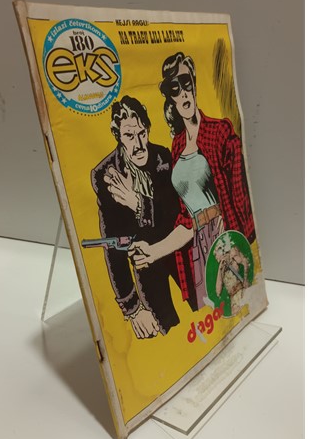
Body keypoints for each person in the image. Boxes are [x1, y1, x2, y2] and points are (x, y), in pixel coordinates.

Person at [129, 52, 255, 311]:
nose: (183, 92)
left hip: (224, 239)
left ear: (194, 83)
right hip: (196, 247)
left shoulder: (220, 132)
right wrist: (153, 251)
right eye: (174, 88)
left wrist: (238, 244)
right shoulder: (177, 146)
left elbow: (241, 200)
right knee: (210, 315)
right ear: (170, 97)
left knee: (233, 308)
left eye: (186, 82)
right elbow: (187, 220)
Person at [91, 95, 181, 338]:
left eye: (142, 133)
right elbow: (114, 245)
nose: (139, 144)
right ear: (118, 135)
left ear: (148, 129)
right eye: (129, 136)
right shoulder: (105, 174)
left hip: (175, 249)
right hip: (144, 266)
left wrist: (137, 202)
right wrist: (132, 309)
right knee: (165, 331)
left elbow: (175, 214)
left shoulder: (163, 157)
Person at [214, 233, 250, 316]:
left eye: (219, 251)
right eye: (216, 254)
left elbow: (245, 262)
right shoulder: (221, 267)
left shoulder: (232, 254)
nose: (217, 256)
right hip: (233, 299)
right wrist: (220, 270)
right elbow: (218, 291)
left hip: (242, 290)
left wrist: (245, 278)